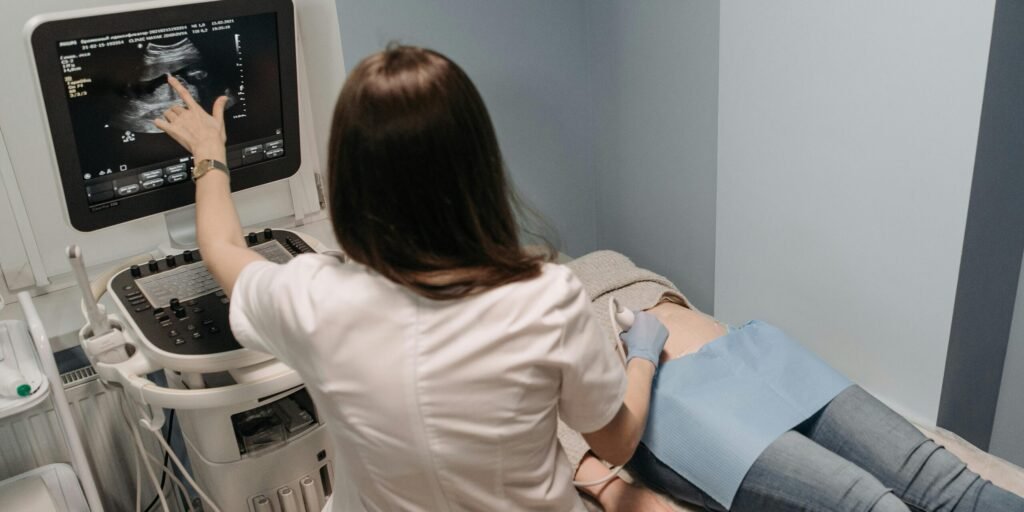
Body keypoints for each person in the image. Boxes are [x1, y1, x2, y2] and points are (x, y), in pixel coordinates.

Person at [152, 45, 670, 511]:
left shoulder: (311, 299)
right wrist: (642, 356)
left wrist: (208, 152)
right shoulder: (545, 298)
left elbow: (221, 249)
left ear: (350, 181)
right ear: (480, 169)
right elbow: (615, 441)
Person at [561, 250, 1024, 512]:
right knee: (872, 506)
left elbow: (675, 297)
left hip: (753, 351)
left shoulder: (600, 258)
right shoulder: (508, 327)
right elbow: (549, 427)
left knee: (946, 480)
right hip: (672, 403)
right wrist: (613, 489)